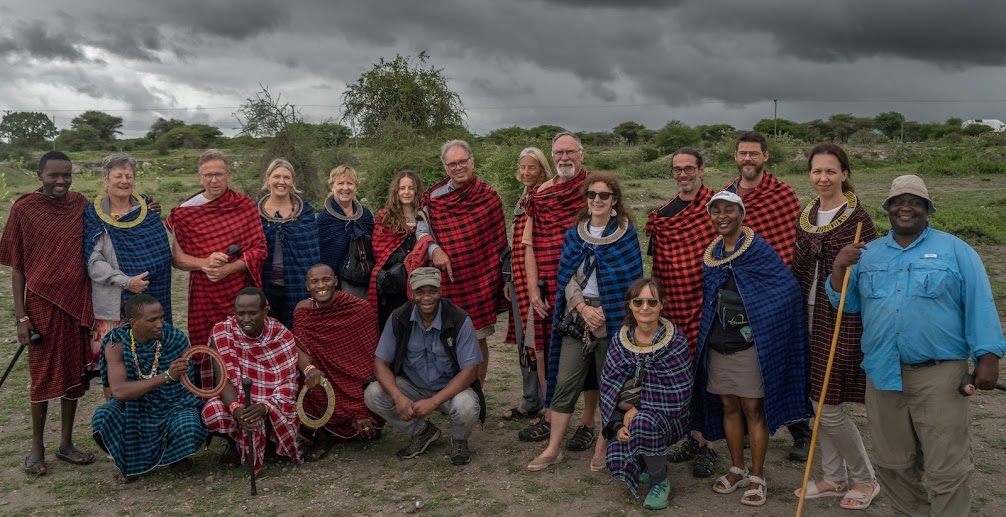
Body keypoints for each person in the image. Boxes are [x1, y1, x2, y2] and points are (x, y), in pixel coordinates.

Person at [829, 175, 1005, 516]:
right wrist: (839, 265)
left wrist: (987, 356)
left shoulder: (956, 250)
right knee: (892, 463)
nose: (905, 207)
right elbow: (845, 304)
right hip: (882, 373)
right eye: (898, 201)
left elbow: (980, 302)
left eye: (915, 202)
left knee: (947, 468)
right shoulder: (869, 253)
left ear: (927, 209)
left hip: (939, 375)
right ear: (889, 209)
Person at [694, 191, 810, 507]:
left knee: (753, 410)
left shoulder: (757, 250)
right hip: (718, 344)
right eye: (715, 210)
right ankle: (737, 469)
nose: (721, 215)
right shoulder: (714, 252)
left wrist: (758, 327)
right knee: (729, 407)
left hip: (748, 347)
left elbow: (786, 291)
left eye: (728, 209)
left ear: (741, 213)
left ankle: (758, 476)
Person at [528, 172, 643, 473]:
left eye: (604, 195)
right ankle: (554, 448)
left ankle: (603, 445)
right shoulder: (575, 234)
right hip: (578, 316)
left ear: (614, 200)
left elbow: (630, 282)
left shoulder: (626, 235)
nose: (597, 200)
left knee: (611, 384)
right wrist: (581, 306)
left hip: (613, 315)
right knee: (565, 382)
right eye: (592, 195)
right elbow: (565, 277)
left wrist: (604, 310)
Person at [791, 143, 879, 509]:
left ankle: (864, 478)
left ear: (844, 173)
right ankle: (832, 477)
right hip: (805, 313)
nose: (823, 178)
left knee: (828, 403)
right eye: (816, 171)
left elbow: (871, 276)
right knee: (816, 396)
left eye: (830, 171)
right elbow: (798, 266)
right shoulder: (808, 213)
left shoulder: (859, 219)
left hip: (843, 316)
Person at [0, 151, 96, 476]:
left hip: (77, 302)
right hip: (40, 304)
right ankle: (36, 449)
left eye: (66, 175)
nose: (61, 181)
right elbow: (17, 269)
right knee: (41, 378)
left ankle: (66, 444)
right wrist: (21, 317)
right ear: (39, 174)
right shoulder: (24, 209)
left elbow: (110, 220)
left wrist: (147, 208)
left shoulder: (80, 204)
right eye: (53, 175)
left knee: (74, 374)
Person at [722, 130, 810, 461]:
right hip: (738, 293)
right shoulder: (727, 196)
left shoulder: (782, 195)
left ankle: (800, 428)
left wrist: (777, 287)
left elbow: (792, 245)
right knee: (746, 362)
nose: (748, 159)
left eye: (754, 154)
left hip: (776, 292)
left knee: (783, 358)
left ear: (765, 157)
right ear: (735, 157)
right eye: (742, 153)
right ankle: (745, 428)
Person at [516, 133, 594, 449]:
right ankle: (550, 415)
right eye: (559, 152)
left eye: (570, 152)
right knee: (545, 351)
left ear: (581, 154)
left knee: (587, 354)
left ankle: (588, 423)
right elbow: (528, 245)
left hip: (588, 289)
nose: (565, 157)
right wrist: (533, 287)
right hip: (547, 285)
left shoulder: (595, 191)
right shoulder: (541, 195)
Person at [645, 147, 719, 478]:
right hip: (675, 306)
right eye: (678, 169)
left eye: (689, 168)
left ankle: (709, 446)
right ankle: (692, 436)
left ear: (701, 169)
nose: (684, 174)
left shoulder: (718, 206)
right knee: (683, 375)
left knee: (709, 375)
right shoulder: (664, 214)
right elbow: (658, 265)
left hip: (710, 304)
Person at [364, 267, 485, 466]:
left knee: (467, 406)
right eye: (420, 292)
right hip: (412, 386)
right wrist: (399, 397)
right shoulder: (398, 317)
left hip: (449, 390)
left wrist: (435, 401)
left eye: (432, 291)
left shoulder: (459, 319)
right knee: (373, 393)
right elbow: (380, 364)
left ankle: (460, 439)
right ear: (411, 293)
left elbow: (471, 371)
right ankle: (422, 431)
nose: (426, 298)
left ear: (441, 291)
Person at [415, 140, 507, 387]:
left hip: (481, 280)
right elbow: (421, 230)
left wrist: (503, 279)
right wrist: (434, 250)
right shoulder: (434, 198)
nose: (458, 167)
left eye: (462, 161)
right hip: (448, 280)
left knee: (477, 339)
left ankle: (476, 392)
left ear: (472, 162)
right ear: (445, 168)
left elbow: (499, 243)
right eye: (452, 163)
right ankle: (451, 391)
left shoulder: (489, 197)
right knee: (446, 338)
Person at [166, 149, 267, 370]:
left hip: (240, 292)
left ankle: (247, 393)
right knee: (208, 347)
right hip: (205, 292)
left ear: (228, 176)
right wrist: (204, 263)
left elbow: (260, 250)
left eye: (219, 174)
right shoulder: (186, 211)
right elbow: (177, 259)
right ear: (200, 177)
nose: (214, 180)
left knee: (244, 345)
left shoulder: (245, 206)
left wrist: (228, 269)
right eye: (208, 175)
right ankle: (210, 397)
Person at [600, 278, 693, 511]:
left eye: (652, 301)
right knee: (630, 430)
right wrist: (615, 425)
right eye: (638, 301)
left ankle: (661, 482)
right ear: (629, 305)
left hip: (672, 416)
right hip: (627, 417)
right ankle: (643, 463)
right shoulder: (619, 342)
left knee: (643, 422)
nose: (645, 307)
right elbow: (609, 388)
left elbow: (679, 392)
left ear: (662, 304)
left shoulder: (675, 341)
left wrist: (639, 407)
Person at [91, 295, 206, 482]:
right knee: (104, 417)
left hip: (171, 406)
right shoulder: (116, 342)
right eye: (152, 320)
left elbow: (187, 393)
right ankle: (126, 458)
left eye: (161, 317)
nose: (160, 324)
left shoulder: (175, 338)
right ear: (134, 323)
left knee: (189, 424)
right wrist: (166, 376)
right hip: (133, 406)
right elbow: (117, 392)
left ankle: (178, 457)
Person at [85, 153, 172, 387]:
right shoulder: (93, 214)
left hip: (149, 297)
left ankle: (145, 415)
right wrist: (126, 281)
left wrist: (140, 280)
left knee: (148, 360)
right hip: (112, 306)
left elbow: (162, 253)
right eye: (117, 176)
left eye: (129, 176)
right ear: (105, 180)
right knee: (111, 369)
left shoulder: (146, 211)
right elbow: (93, 262)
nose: (124, 181)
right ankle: (115, 417)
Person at [202, 287, 302, 472]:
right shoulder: (222, 332)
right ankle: (234, 444)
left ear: (265, 311)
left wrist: (265, 407)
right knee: (212, 412)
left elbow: (289, 382)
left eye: (252, 313)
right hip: (237, 400)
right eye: (240, 313)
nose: (246, 319)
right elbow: (222, 380)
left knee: (286, 408)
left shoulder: (281, 334)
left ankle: (270, 444)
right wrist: (237, 411)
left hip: (271, 401)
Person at [293, 264, 383, 461]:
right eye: (314, 282)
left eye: (326, 279)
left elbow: (370, 360)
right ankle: (322, 436)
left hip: (357, 382)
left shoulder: (359, 309)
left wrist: (361, 409)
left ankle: (362, 418)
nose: (321, 286)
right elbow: (298, 347)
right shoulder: (303, 311)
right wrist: (310, 369)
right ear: (307, 286)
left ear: (335, 281)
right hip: (323, 380)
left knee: (373, 397)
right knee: (299, 376)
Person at [501, 147, 552, 421]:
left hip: (538, 282)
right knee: (525, 343)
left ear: (543, 170)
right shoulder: (523, 198)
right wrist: (509, 277)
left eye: (531, 167)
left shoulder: (545, 197)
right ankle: (531, 400)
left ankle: (547, 405)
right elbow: (514, 243)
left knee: (539, 344)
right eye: (522, 167)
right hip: (520, 280)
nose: (526, 172)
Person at [258, 158, 320, 329]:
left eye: (286, 177)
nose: (281, 182)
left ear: (292, 181)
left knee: (299, 328)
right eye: (276, 176)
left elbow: (312, 253)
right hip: (266, 283)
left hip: (298, 283)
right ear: (268, 179)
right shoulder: (255, 213)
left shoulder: (304, 211)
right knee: (268, 329)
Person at [368, 170, 424, 330]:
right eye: (402, 188)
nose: (406, 192)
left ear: (417, 190)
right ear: (396, 191)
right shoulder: (385, 217)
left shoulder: (426, 217)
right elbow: (380, 251)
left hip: (421, 283)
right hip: (393, 286)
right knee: (394, 330)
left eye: (411, 188)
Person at [317, 165, 374, 300]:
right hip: (339, 279)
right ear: (332, 187)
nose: (345, 188)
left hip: (365, 276)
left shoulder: (365, 215)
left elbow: (373, 245)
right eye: (340, 183)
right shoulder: (324, 218)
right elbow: (324, 253)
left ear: (356, 187)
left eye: (350, 183)